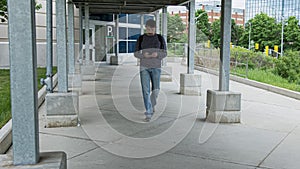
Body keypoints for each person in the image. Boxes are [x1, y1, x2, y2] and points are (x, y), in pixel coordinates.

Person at [134, 19, 167, 122]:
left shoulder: (160, 38)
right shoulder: (141, 38)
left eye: (152, 28)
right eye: (148, 27)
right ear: (145, 27)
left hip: (156, 67)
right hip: (144, 67)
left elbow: (165, 53)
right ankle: (148, 111)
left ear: (155, 28)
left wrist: (157, 55)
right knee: (145, 90)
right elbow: (135, 53)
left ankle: (152, 105)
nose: (150, 29)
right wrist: (143, 55)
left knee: (156, 90)